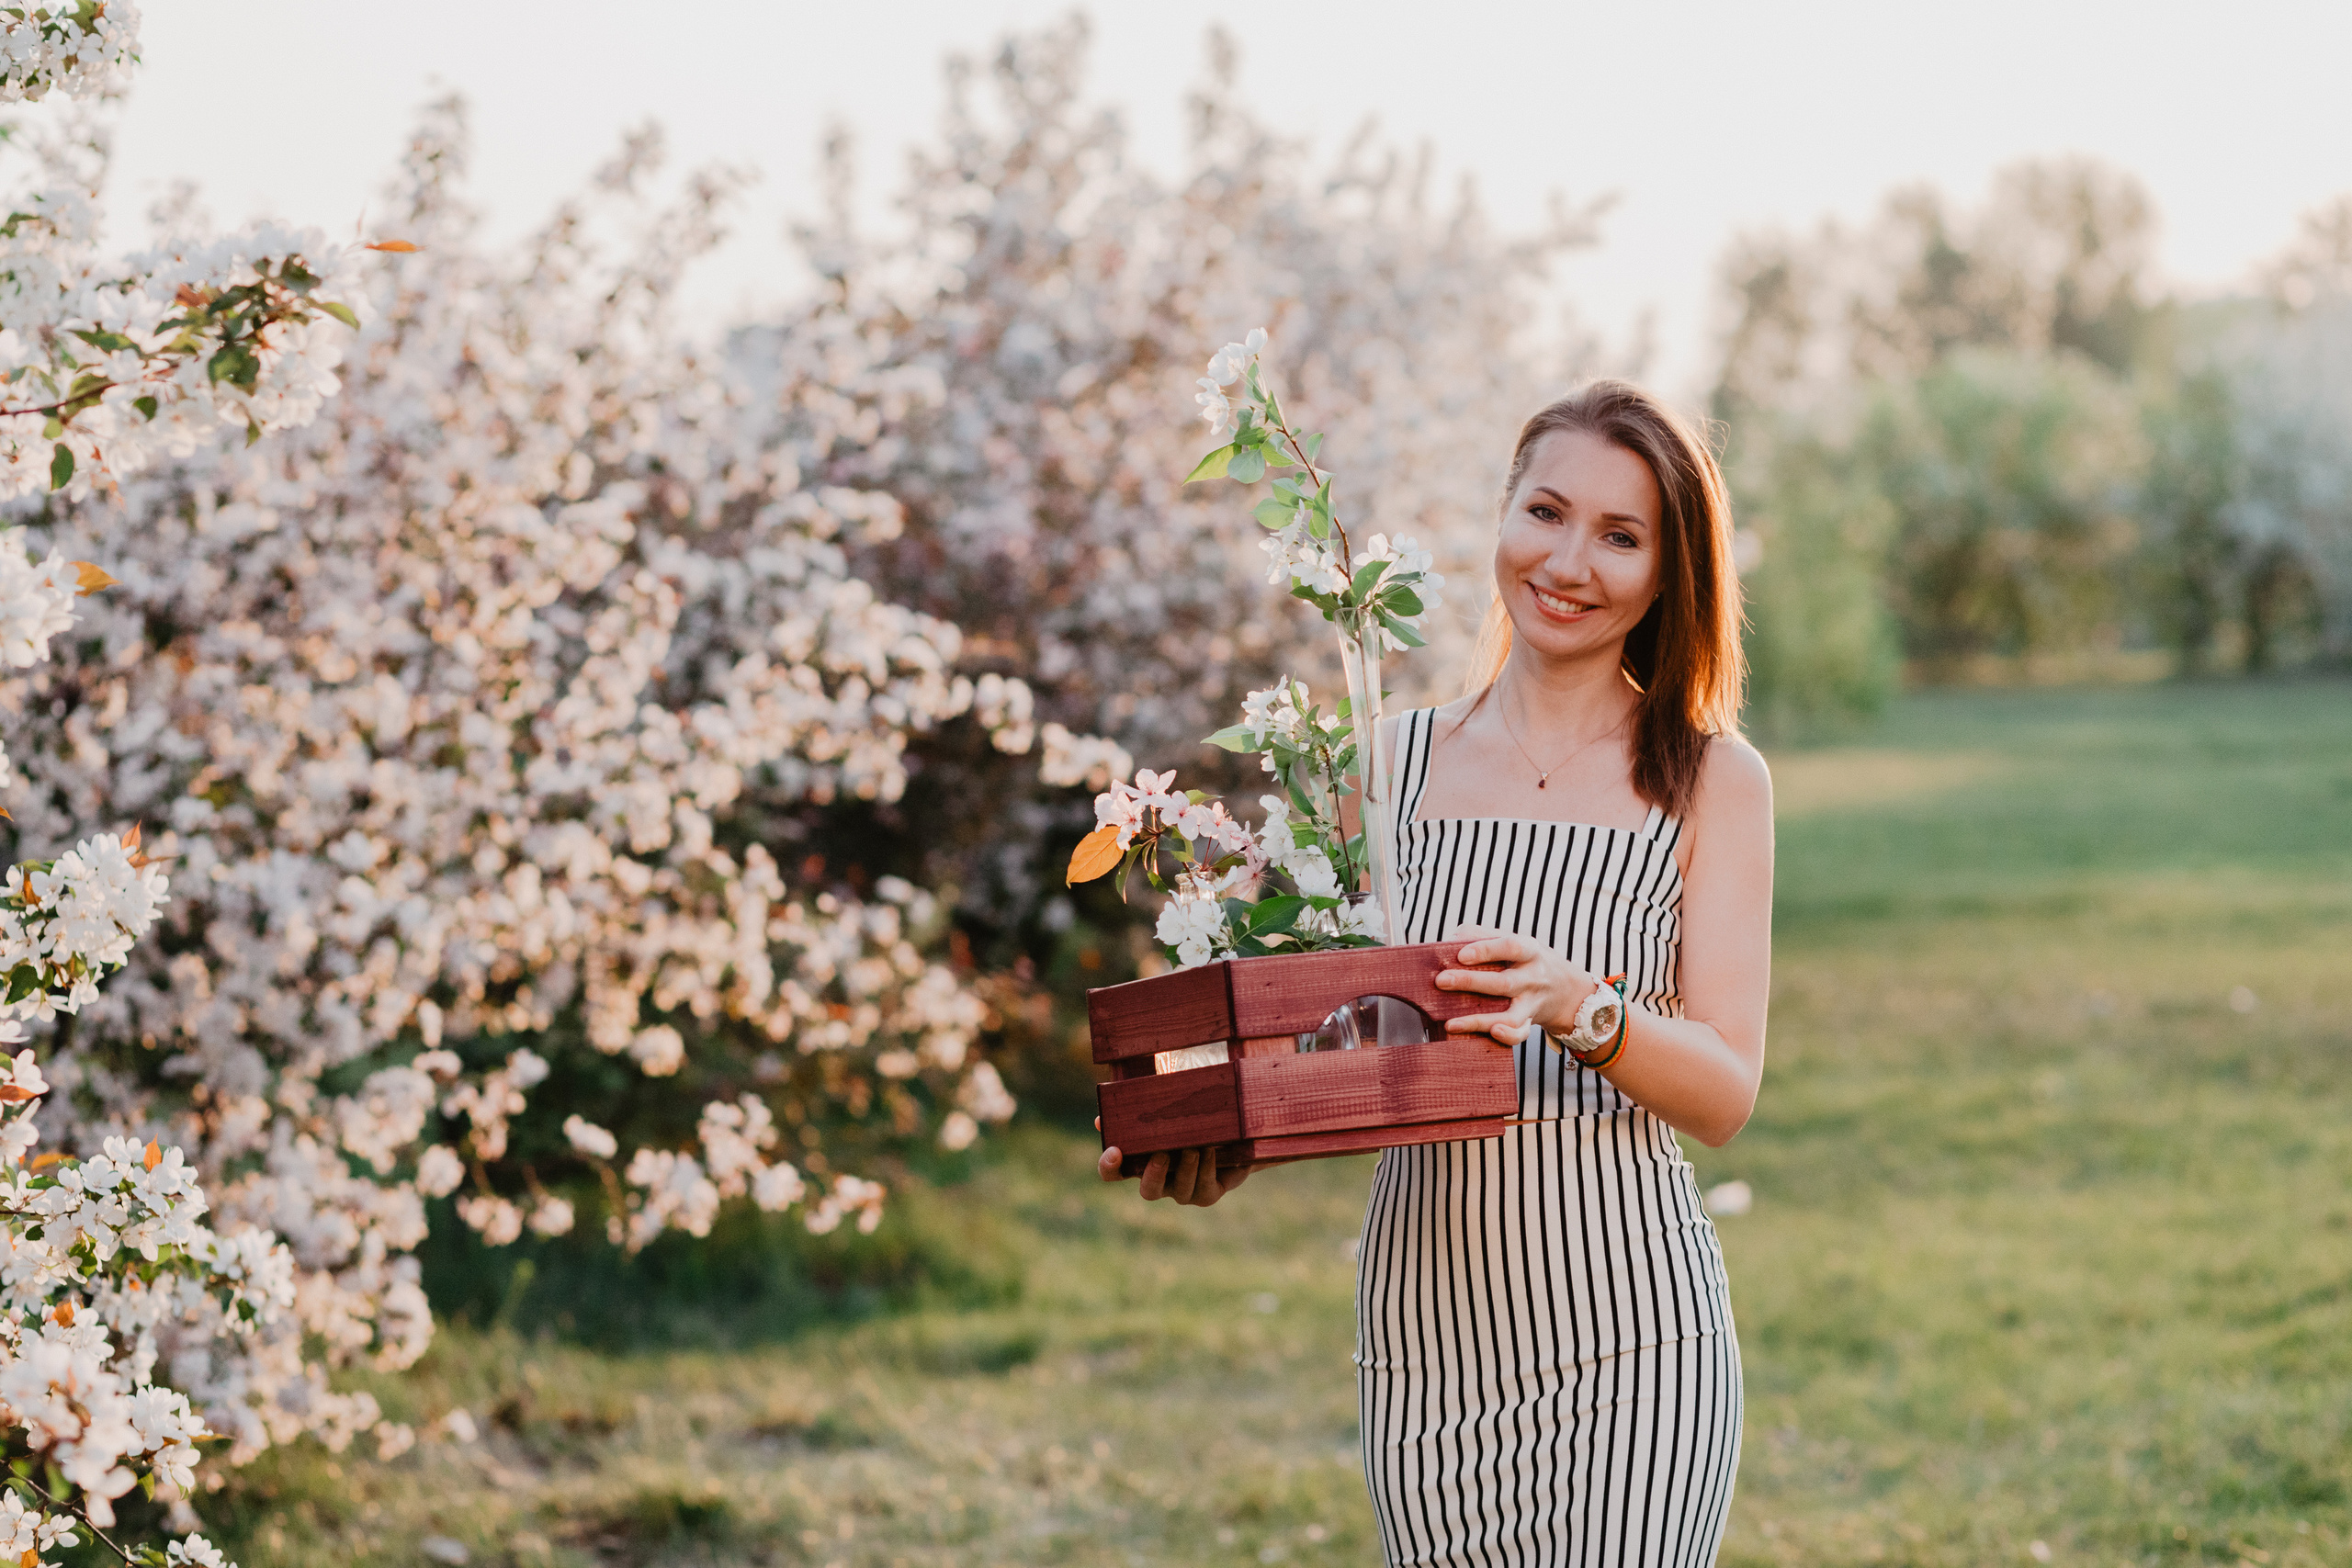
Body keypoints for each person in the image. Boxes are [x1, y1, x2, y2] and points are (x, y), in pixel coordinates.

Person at [1098, 380, 1772, 1566]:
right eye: (1547, 512)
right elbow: (1332, 1051)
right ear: (1502, 515)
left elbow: (1724, 1095)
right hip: (1428, 1346)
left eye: (1621, 537)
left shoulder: (1712, 781)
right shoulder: (1384, 764)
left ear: (1672, 575)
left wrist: (1583, 1006)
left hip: (1633, 1336)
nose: (1569, 560)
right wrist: (1221, 1137)